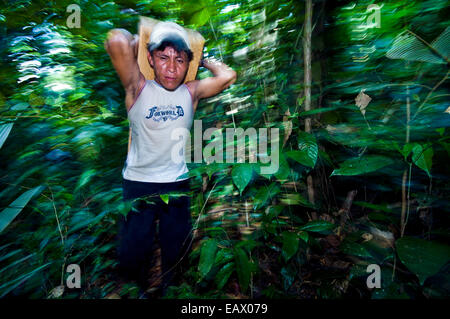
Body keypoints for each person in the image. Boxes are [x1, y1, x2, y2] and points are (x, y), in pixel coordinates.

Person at [104, 21, 236, 297]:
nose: (172, 67)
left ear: (188, 63)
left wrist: (202, 59)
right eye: (163, 58)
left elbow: (228, 76)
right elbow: (115, 40)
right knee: (132, 251)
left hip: (176, 182)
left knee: (177, 247)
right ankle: (138, 288)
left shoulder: (191, 93)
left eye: (180, 60)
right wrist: (141, 38)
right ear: (150, 59)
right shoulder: (137, 87)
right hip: (138, 182)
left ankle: (169, 290)